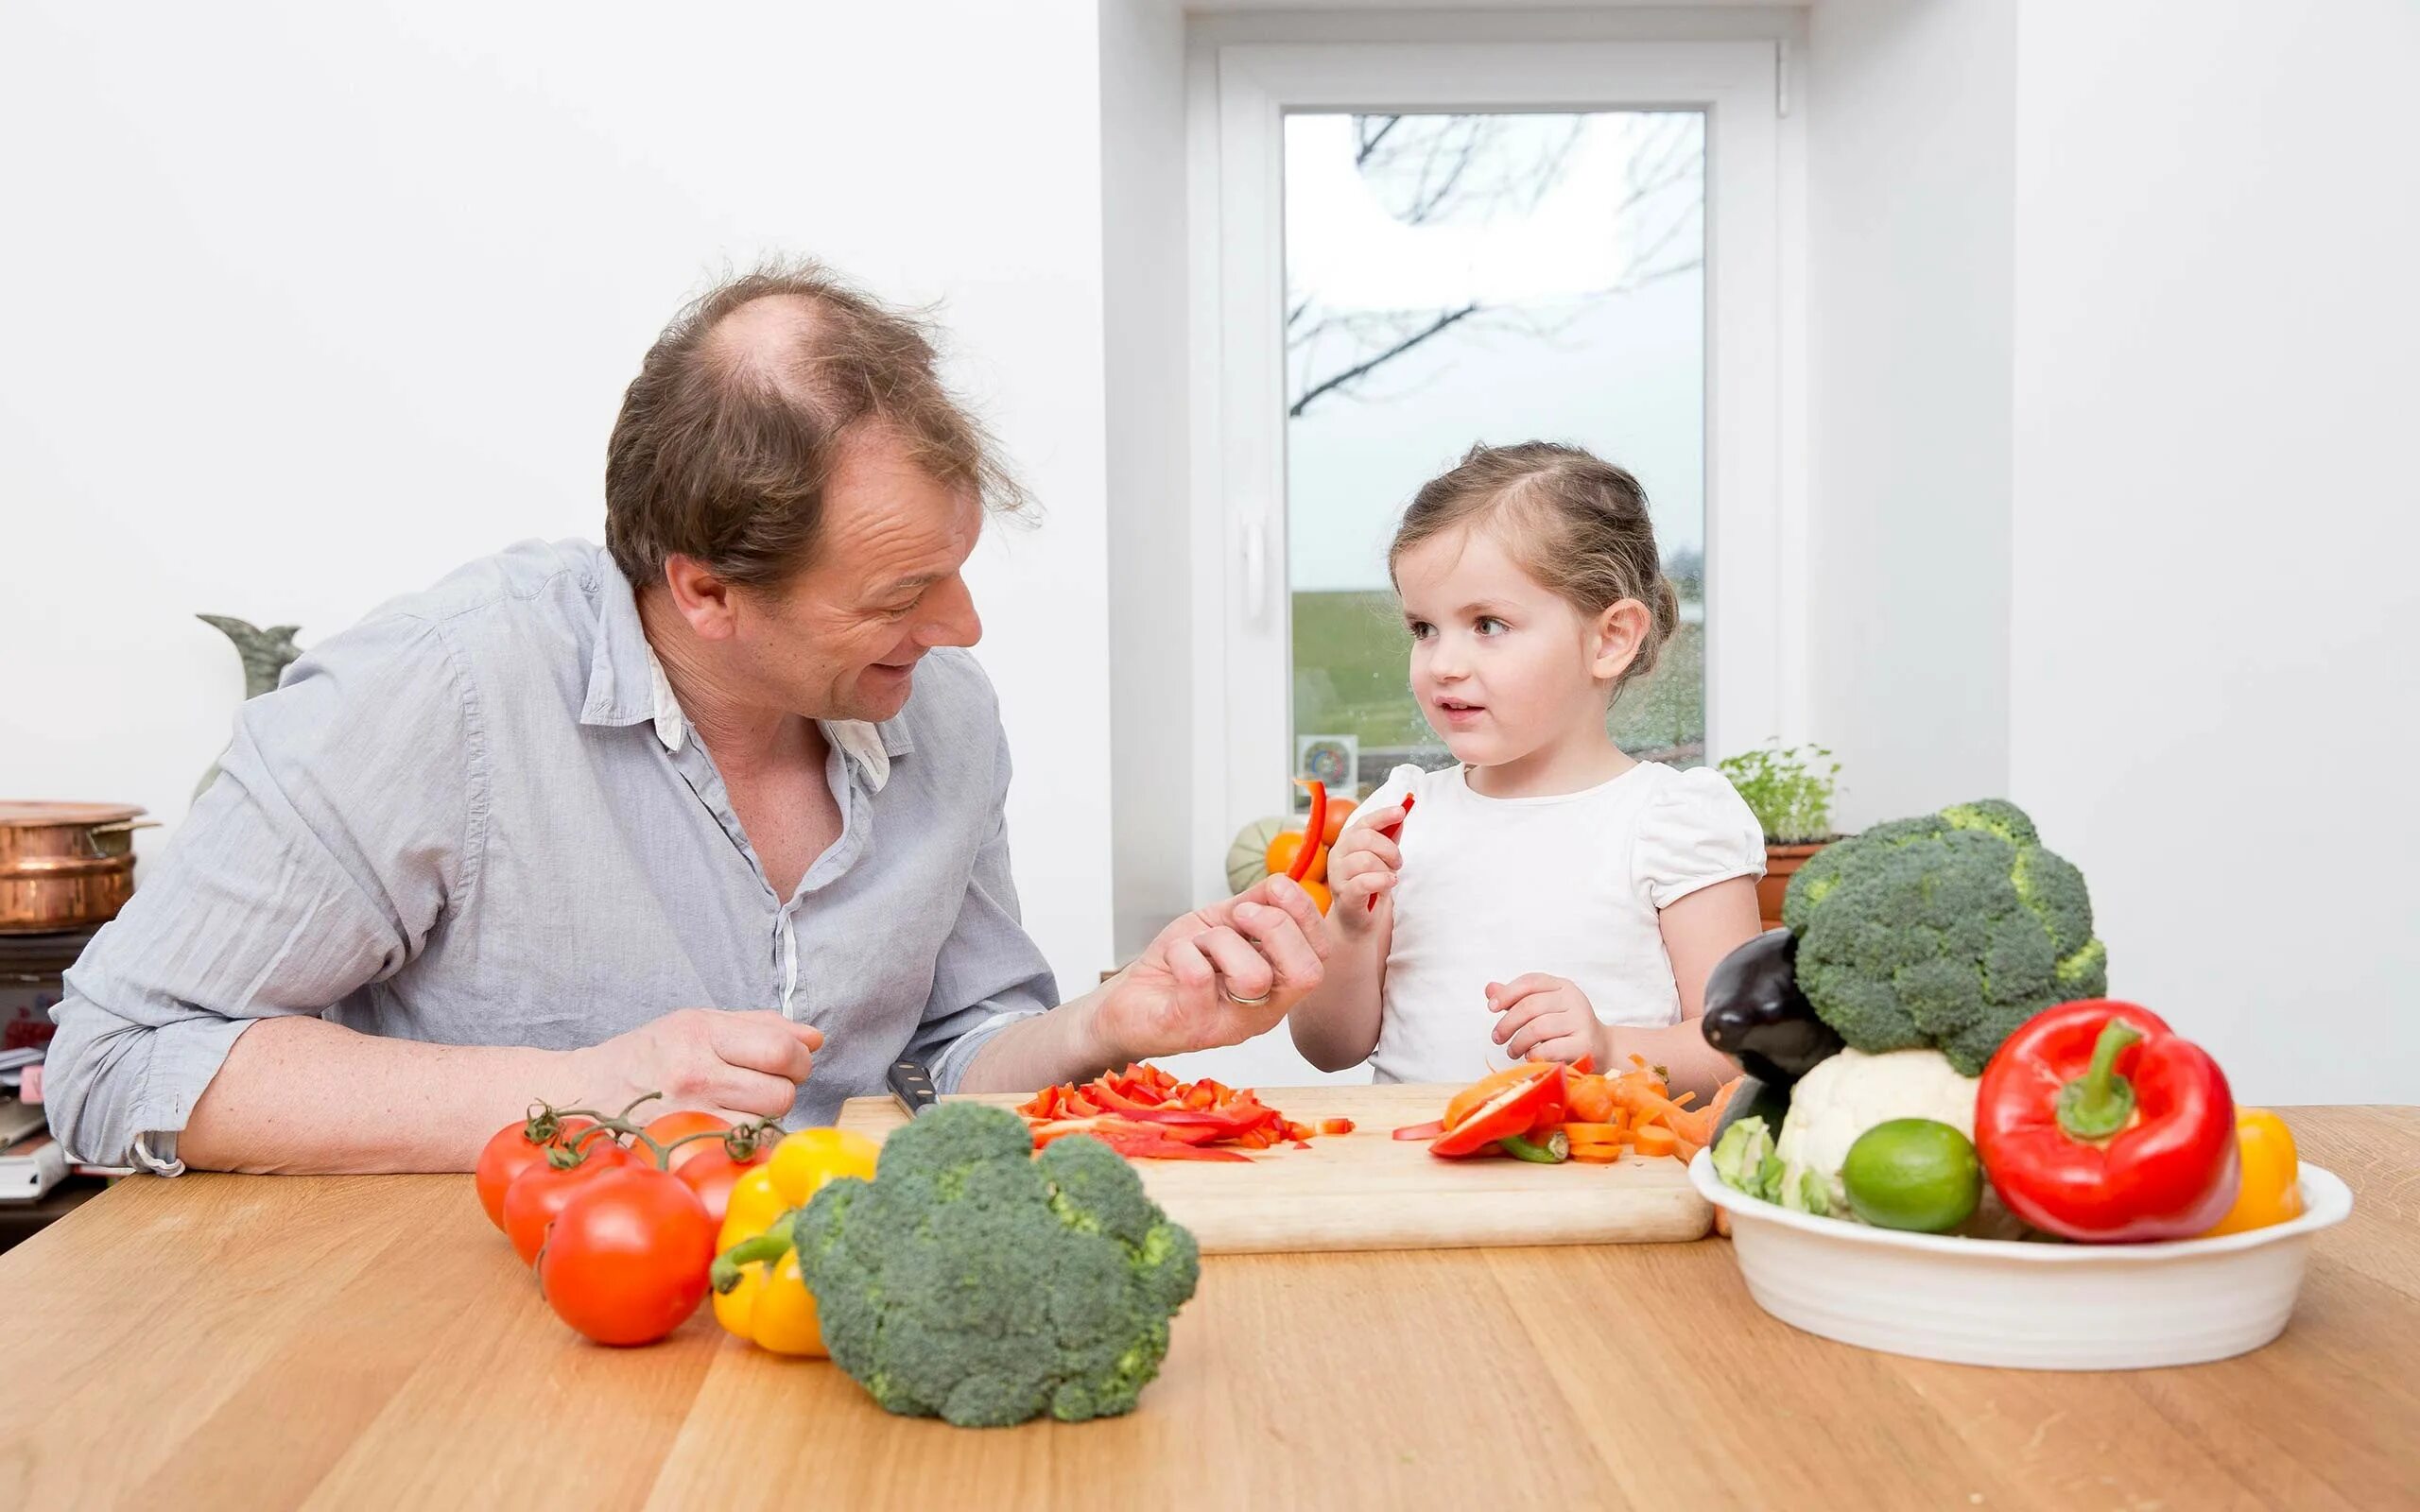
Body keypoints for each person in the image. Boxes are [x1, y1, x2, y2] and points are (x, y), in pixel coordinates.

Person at [45, 262, 1325, 1175]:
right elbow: (118, 1058)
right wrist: (593, 1088)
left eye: (958, 567)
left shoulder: (941, 712)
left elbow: (946, 1060)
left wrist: (1106, 1025)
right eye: (900, 593)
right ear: (706, 590)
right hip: (469, 1355)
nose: (963, 629)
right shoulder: (442, 692)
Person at [1288, 442, 1763, 1095]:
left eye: (1487, 624)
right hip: (1411, 1177)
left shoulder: (1673, 821)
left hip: (1597, 1182)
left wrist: (1609, 1047)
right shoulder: (1398, 818)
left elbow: (1736, 1053)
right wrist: (1348, 926)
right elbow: (1329, 1049)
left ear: (1610, 639)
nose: (1443, 663)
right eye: (1424, 629)